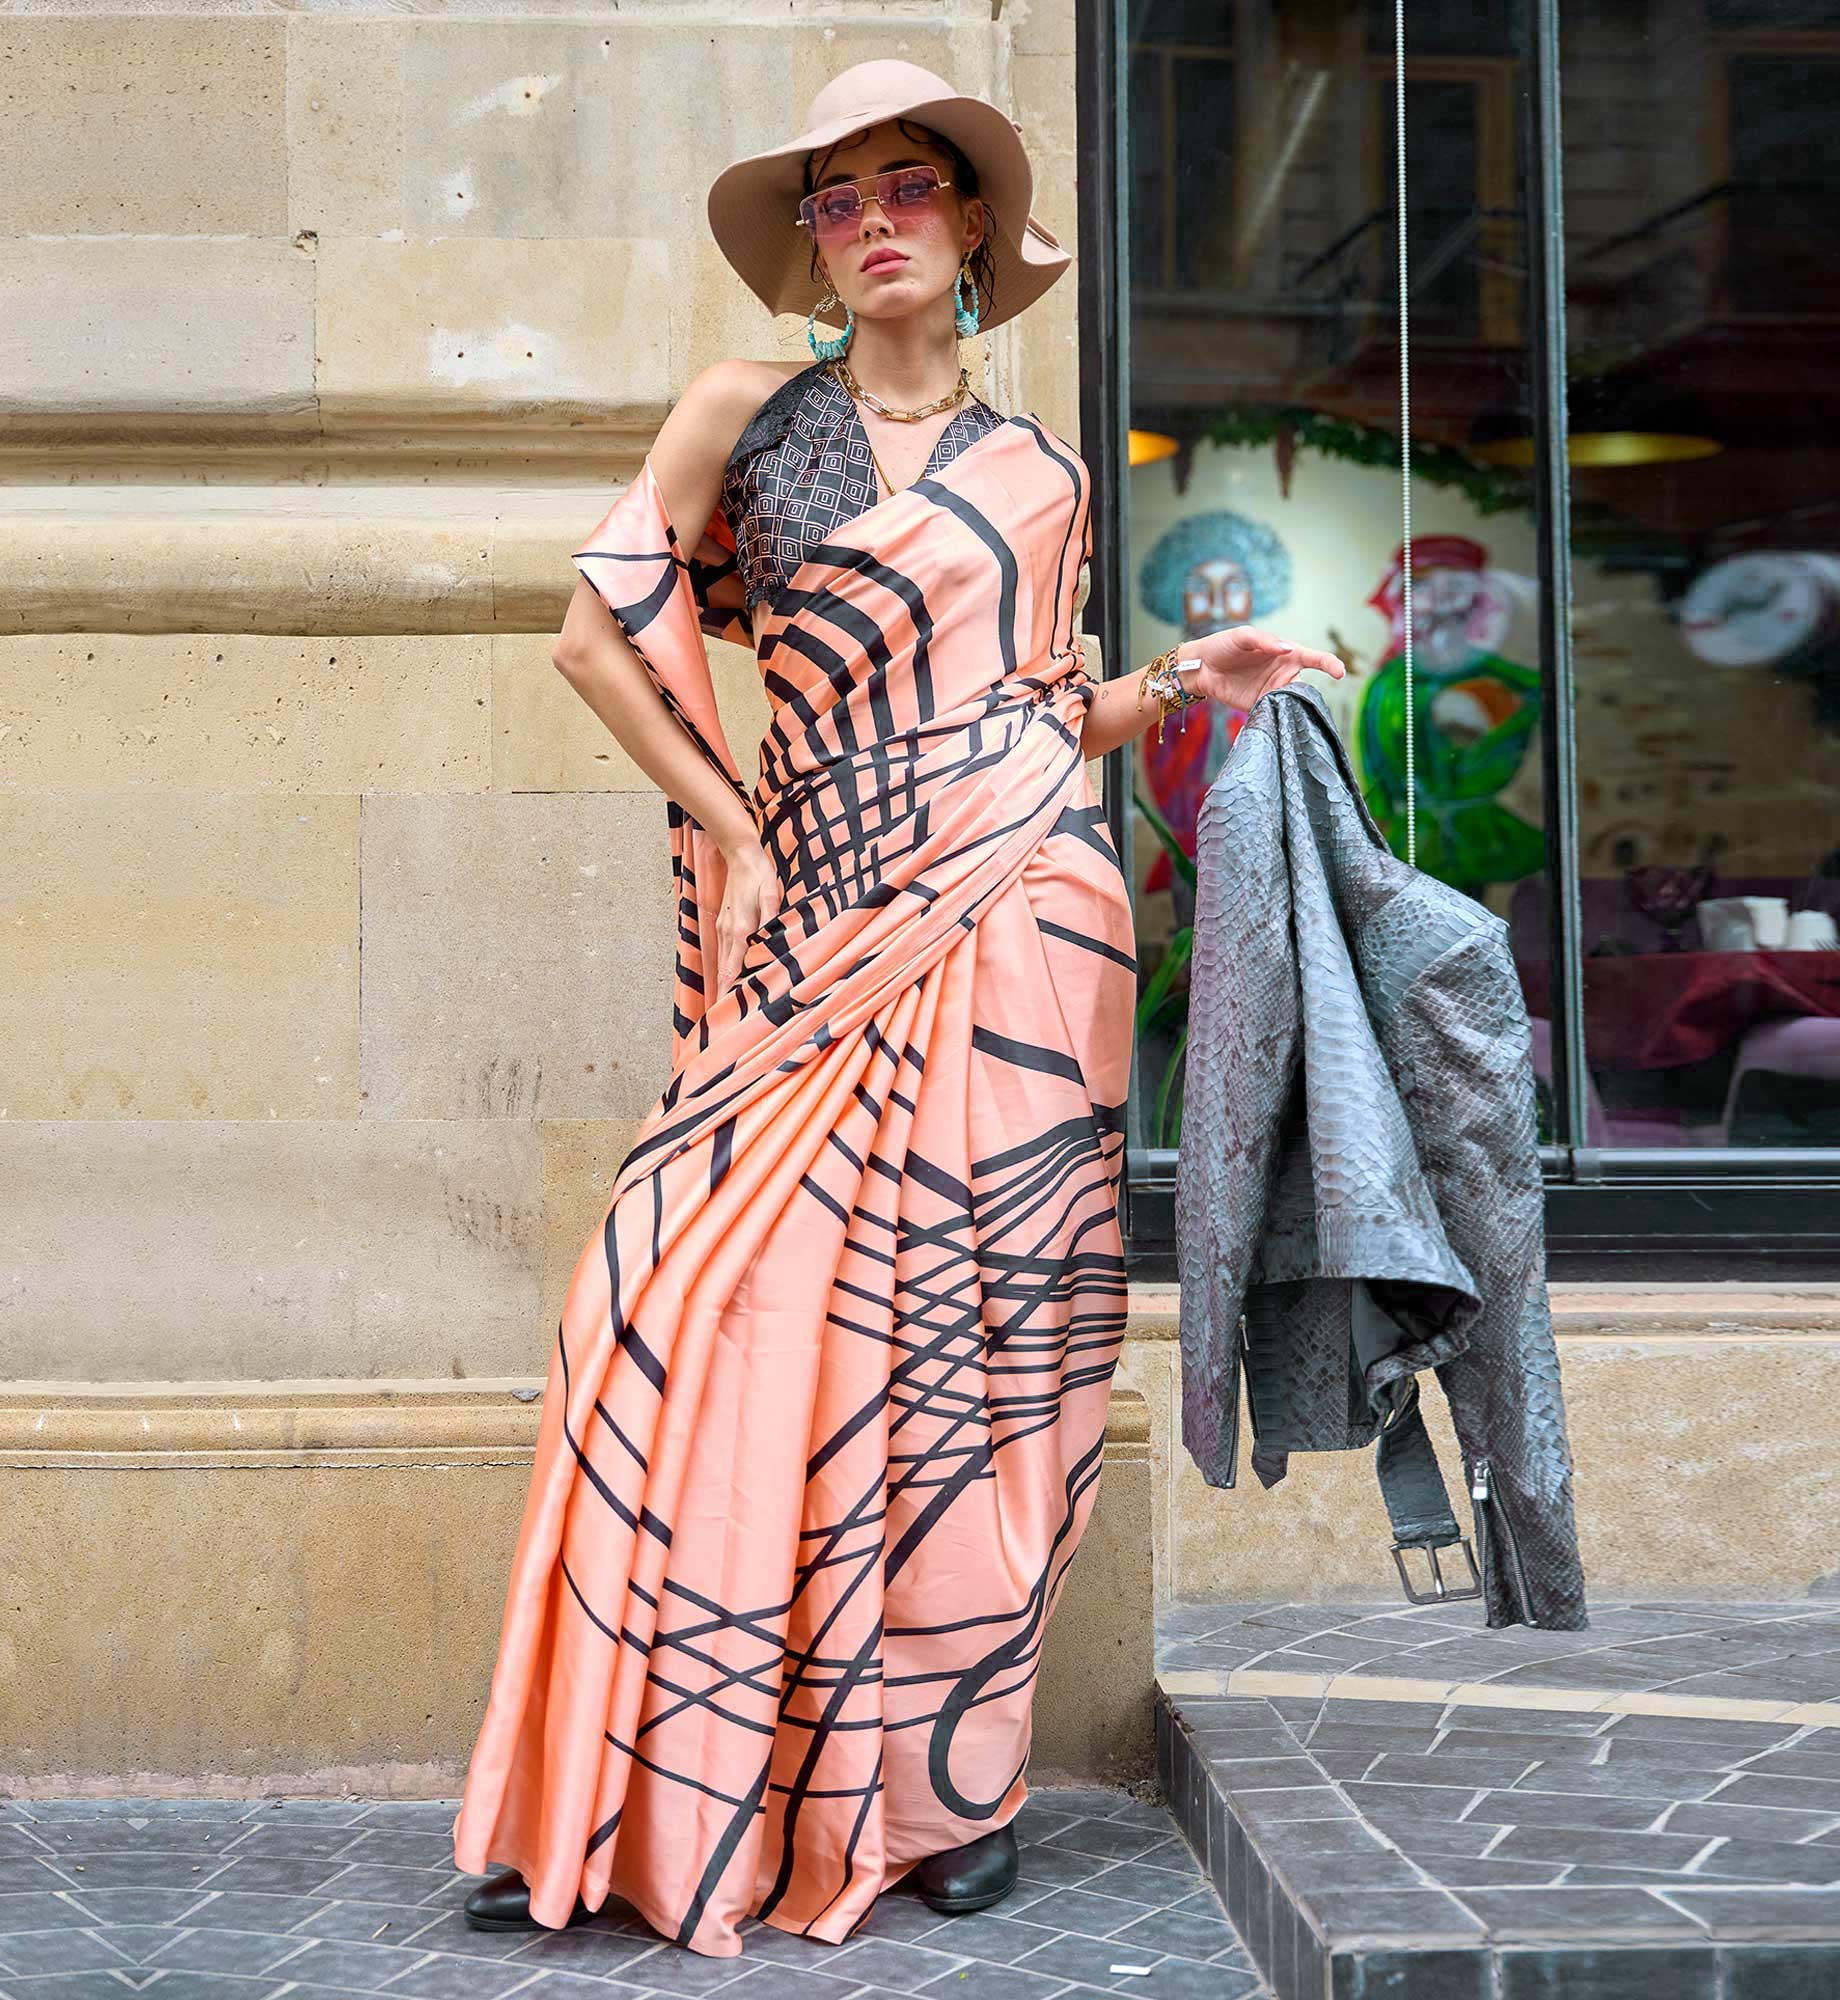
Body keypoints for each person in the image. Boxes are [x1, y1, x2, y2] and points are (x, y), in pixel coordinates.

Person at [449, 57, 1344, 1961]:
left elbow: (1041, 703)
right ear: (810, 245)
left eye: (905, 188)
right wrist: (735, 831)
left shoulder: (1046, 478)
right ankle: (655, 1781)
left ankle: (950, 1791)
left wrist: (1179, 681)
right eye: (834, 199)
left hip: (1032, 914)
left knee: (981, 1349)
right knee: (675, 1295)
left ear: (970, 231)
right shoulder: (742, 419)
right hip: (824, 918)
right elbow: (592, 635)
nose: (868, 221)